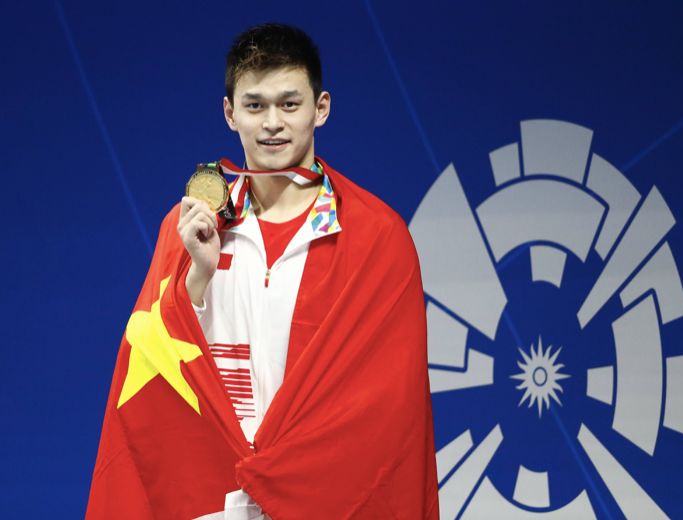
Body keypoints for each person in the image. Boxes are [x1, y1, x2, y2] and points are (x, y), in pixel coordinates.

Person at [87, 23, 438, 519]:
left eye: (289, 104)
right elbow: (149, 378)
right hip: (214, 500)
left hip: (324, 502)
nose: (273, 123)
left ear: (321, 108)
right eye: (255, 106)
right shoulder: (188, 227)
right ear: (230, 113)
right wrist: (196, 280)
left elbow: (390, 408)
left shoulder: (377, 237)